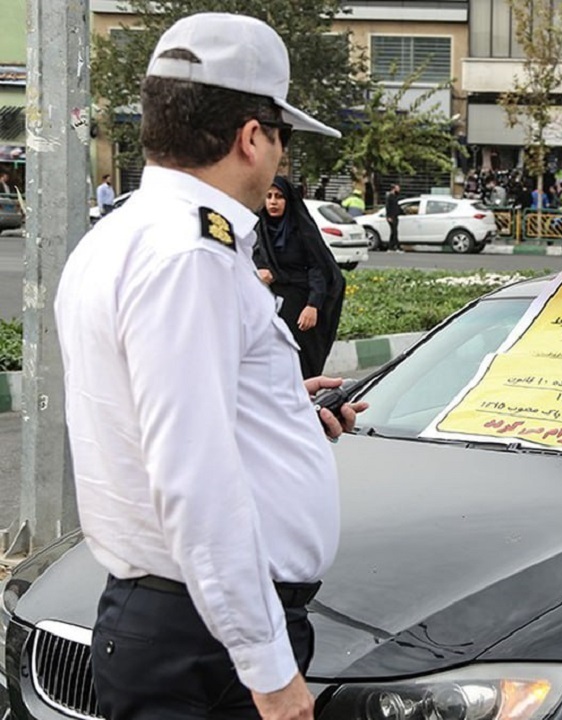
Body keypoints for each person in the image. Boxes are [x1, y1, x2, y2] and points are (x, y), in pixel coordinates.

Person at [53, 13, 367, 720]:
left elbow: (157, 425)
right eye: (282, 138)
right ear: (252, 136)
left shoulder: (129, 235)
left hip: (186, 627)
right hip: (208, 648)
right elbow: (193, 480)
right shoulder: (190, 258)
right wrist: (272, 677)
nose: (280, 161)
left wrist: (284, 416)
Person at [255, 176, 347, 377]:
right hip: (270, 304)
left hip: (300, 303)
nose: (272, 202)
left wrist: (313, 305)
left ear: (288, 200)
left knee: (301, 361)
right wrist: (261, 271)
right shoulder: (259, 229)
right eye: (268, 196)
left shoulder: (301, 230)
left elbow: (318, 267)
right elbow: (251, 258)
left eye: (279, 197)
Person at [384, 182, 402, 252]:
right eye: (398, 188)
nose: (399, 190)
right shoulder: (390, 197)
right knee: (395, 232)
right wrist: (389, 216)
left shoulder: (395, 196)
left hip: (395, 216)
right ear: (394, 189)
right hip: (391, 217)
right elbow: (388, 207)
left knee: (393, 232)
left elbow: (397, 207)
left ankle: (390, 247)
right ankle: (397, 247)